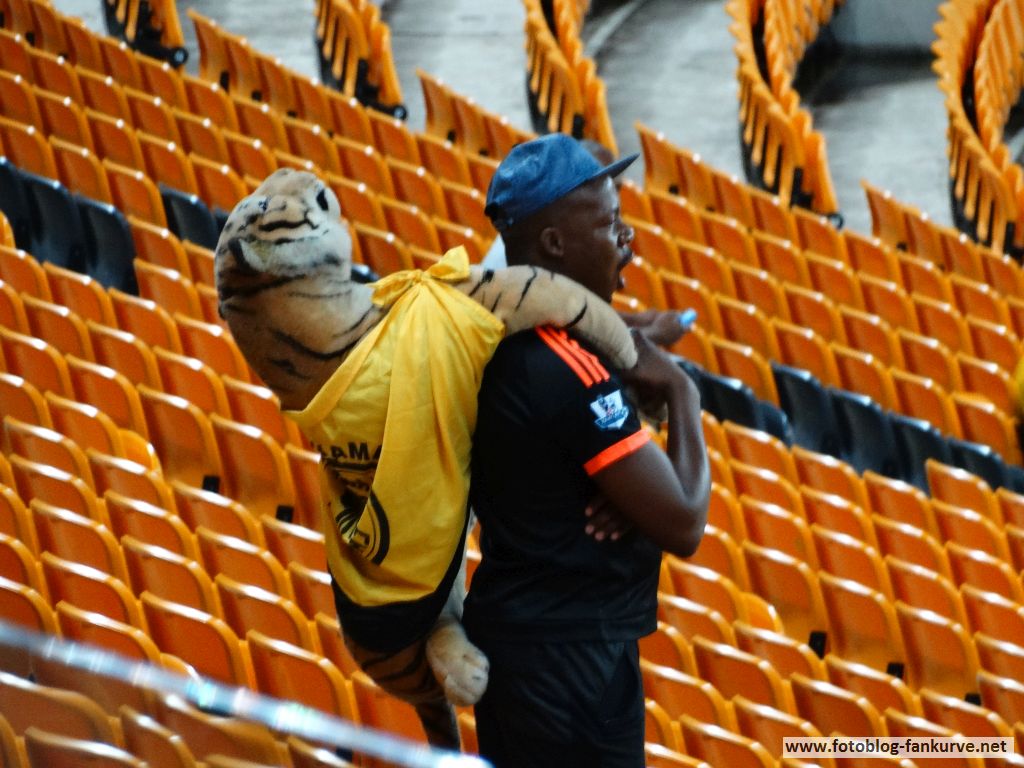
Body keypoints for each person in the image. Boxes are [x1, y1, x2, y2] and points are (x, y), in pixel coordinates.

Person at [464, 133, 711, 767]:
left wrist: (630, 491)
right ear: (554, 244)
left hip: (529, 647)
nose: (625, 239)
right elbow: (684, 520)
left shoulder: (501, 335)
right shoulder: (566, 365)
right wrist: (681, 391)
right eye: (609, 223)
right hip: (568, 666)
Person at [482, 138, 693, 350]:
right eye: (597, 185)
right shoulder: (525, 298)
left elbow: (584, 317)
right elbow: (586, 344)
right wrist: (654, 336)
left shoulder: (538, 271)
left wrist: (638, 320)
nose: (628, 233)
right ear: (554, 242)